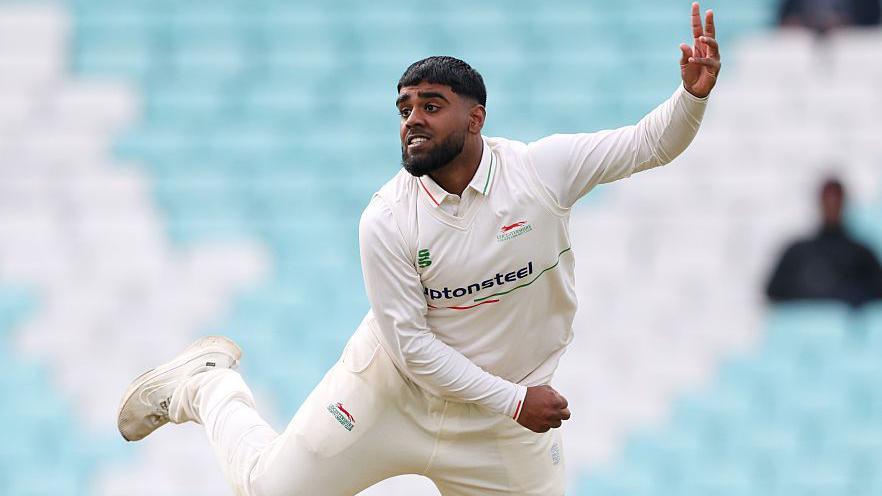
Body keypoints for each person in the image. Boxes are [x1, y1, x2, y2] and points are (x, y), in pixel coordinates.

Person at [116, 3, 721, 495]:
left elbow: (648, 144)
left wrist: (691, 97)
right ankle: (207, 385)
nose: (412, 120)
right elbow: (411, 349)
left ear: (475, 117)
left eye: (432, 106)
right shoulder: (386, 218)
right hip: (392, 395)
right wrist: (514, 402)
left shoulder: (541, 171)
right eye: (404, 108)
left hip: (501, 431)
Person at [767, 178, 882, 308]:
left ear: (843, 203)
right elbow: (773, 291)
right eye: (828, 199)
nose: (831, 204)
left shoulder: (861, 255)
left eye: (835, 199)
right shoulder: (797, 253)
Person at [778, 0, 881, 34]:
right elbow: (785, 20)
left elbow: (872, 23)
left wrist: (845, 24)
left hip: (855, 55)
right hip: (803, 54)